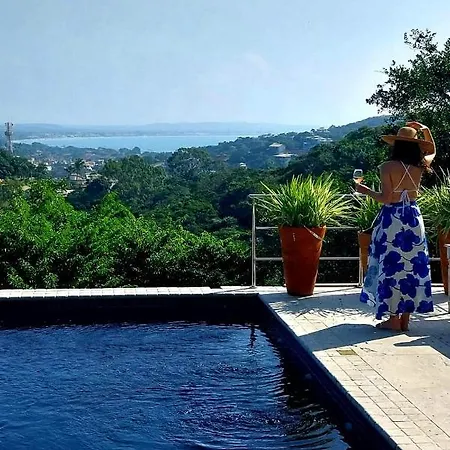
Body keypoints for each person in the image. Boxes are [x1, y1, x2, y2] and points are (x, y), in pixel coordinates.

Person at [355, 121, 435, 331]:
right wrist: (425, 130)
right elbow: (432, 151)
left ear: (396, 145)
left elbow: (387, 198)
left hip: (393, 219)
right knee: (412, 265)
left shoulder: (387, 167)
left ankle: (393, 318)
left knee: (392, 265)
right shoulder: (420, 166)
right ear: (415, 146)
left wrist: (365, 191)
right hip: (413, 217)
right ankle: (405, 319)